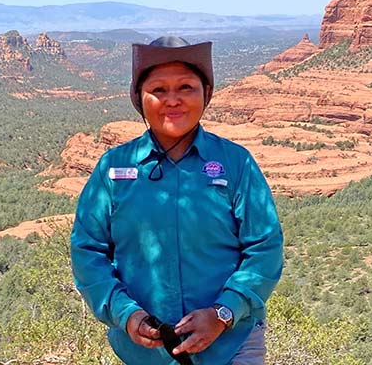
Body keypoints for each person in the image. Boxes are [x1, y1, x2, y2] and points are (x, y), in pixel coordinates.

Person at [70, 36, 283, 365]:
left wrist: (224, 312)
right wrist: (124, 313)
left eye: (186, 87)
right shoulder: (113, 168)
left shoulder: (236, 164)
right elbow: (87, 250)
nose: (173, 100)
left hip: (231, 346)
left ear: (206, 94)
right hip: (143, 355)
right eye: (159, 90)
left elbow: (264, 249)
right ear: (139, 99)